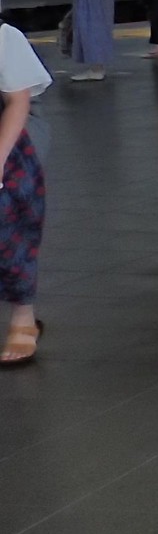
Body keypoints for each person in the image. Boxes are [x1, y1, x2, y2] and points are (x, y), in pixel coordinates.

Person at [0, 22, 50, 366]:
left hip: (6, 148)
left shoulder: (4, 37)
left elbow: (18, 101)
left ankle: (23, 317)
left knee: (12, 232)